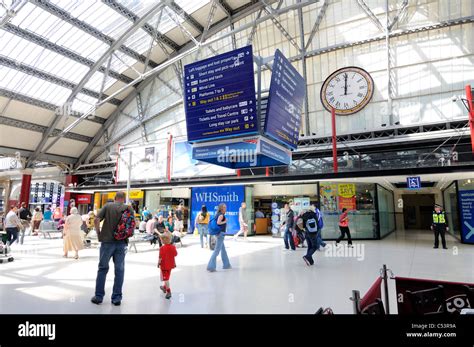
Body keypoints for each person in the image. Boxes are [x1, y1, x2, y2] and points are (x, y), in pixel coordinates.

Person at [91, 192, 133, 306]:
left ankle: (99, 297)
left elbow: (96, 220)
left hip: (107, 242)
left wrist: (99, 232)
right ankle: (116, 298)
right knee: (119, 270)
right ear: (124, 199)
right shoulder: (128, 208)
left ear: (115, 198)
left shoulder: (108, 206)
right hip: (122, 243)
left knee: (102, 269)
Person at [207, 203, 231, 272]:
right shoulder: (221, 215)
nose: (226, 208)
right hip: (220, 234)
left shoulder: (218, 214)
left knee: (223, 250)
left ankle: (227, 265)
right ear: (221, 208)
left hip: (219, 233)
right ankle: (211, 266)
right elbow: (218, 223)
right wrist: (225, 221)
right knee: (217, 250)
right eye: (224, 207)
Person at [158, 231, 178, 299]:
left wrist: (158, 263)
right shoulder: (173, 247)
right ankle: (164, 287)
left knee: (166, 279)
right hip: (170, 265)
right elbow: (175, 254)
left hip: (164, 266)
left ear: (162, 241)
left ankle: (168, 291)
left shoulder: (162, 248)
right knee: (167, 277)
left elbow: (160, 257)